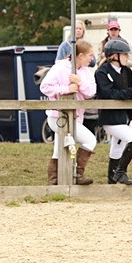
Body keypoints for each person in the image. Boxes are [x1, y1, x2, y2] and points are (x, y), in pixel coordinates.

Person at [40, 40, 97, 185]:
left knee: (58, 149)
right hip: (57, 116)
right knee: (90, 140)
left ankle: (54, 181)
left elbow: (91, 92)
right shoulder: (60, 68)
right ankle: (77, 174)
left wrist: (79, 82)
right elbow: (45, 87)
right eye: (90, 55)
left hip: (76, 116)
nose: (92, 58)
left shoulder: (85, 72)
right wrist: (66, 89)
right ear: (81, 55)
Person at [93, 37, 132, 185]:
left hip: (123, 116)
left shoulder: (127, 71)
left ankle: (111, 181)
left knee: (117, 148)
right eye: (125, 54)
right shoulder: (101, 73)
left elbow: (127, 92)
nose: (127, 57)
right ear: (114, 56)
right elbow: (111, 95)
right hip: (109, 117)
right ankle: (120, 172)